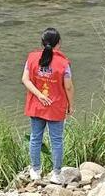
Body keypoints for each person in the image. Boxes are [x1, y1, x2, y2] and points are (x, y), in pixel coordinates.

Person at [22, 27, 74, 184]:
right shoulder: (63, 63)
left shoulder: (32, 58)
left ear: (42, 42)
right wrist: (71, 105)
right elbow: (68, 87)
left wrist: (39, 95)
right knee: (56, 141)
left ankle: (35, 171)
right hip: (56, 107)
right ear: (58, 43)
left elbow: (25, 80)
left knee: (35, 138)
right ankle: (56, 174)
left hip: (37, 105)